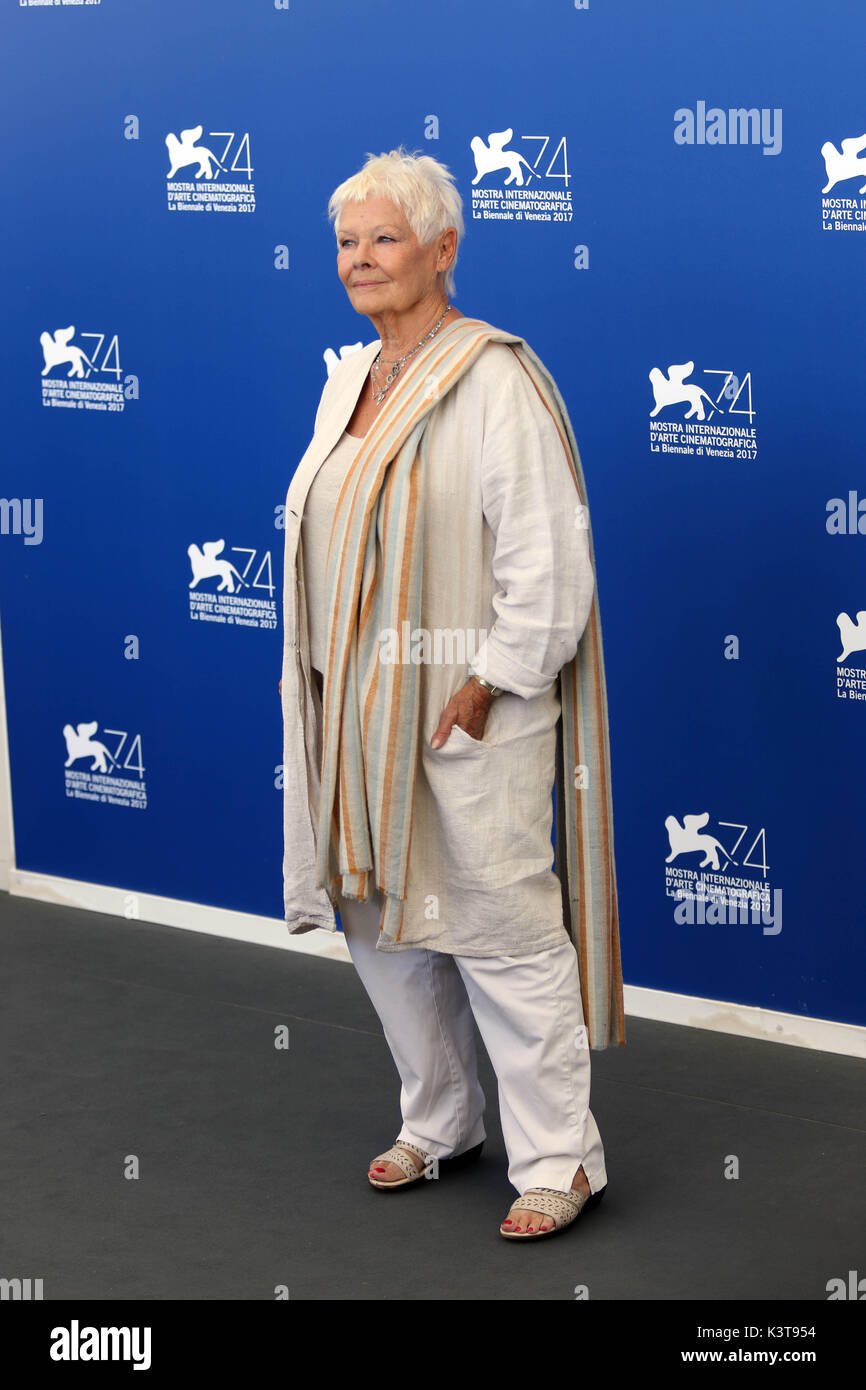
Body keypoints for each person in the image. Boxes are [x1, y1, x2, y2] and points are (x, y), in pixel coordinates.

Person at [279, 147, 624, 1240]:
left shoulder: (491, 379)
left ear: (443, 246)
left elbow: (550, 559)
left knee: (502, 932)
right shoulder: (347, 379)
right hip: (355, 715)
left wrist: (489, 684)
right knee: (381, 923)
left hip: (462, 710)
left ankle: (559, 1159)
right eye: (346, 242)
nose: (361, 259)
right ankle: (439, 1121)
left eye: (384, 238)